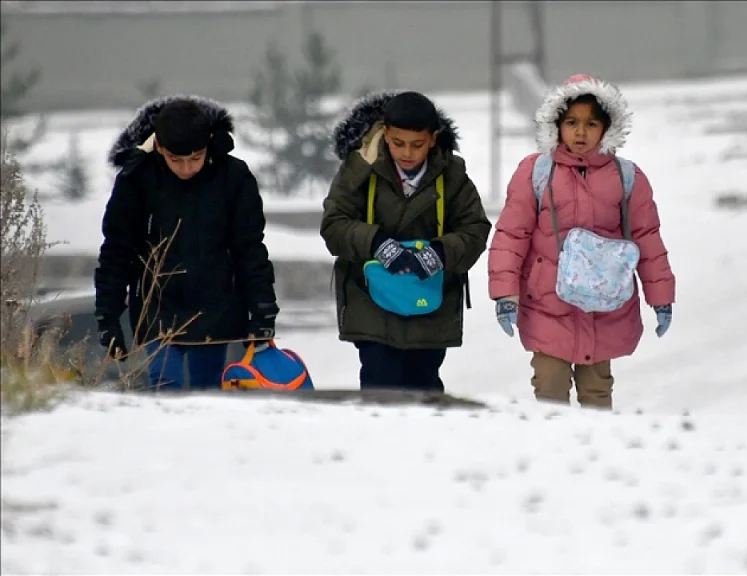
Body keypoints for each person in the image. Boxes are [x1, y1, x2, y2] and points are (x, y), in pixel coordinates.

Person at [487, 73, 676, 410]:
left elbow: (647, 239)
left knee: (597, 394)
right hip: (548, 305)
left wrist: (660, 296)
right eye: (572, 122)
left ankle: (594, 458)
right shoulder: (536, 173)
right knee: (549, 390)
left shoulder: (626, 177)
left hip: (604, 307)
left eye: (591, 124)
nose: (580, 132)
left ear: (607, 128)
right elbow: (511, 235)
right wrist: (505, 293)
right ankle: (553, 457)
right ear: (556, 125)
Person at [95, 95, 279, 390]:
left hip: (215, 307)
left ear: (209, 142)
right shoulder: (136, 179)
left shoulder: (234, 177)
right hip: (157, 307)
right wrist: (108, 315)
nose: (186, 169)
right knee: (164, 385)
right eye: (175, 160)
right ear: (159, 147)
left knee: (207, 392)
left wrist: (262, 309)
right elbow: (117, 250)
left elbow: (249, 249)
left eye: (195, 158)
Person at [320, 90, 492, 392]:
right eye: (398, 143)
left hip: (429, 301)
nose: (407, 153)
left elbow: (475, 228)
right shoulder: (359, 169)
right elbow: (334, 224)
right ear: (385, 134)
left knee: (424, 386)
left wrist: (438, 252)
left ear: (434, 138)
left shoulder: (452, 175)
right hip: (370, 299)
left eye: (418, 145)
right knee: (379, 381)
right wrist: (377, 244)